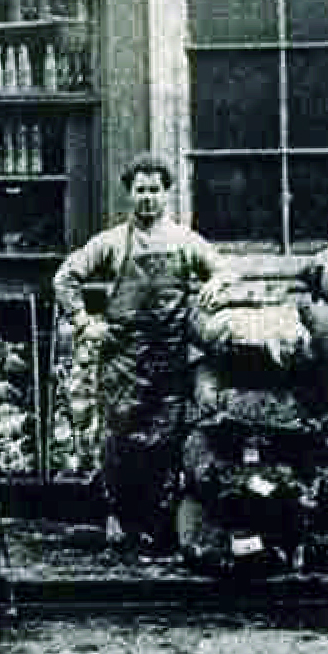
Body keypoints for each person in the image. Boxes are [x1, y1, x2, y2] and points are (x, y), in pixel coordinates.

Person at [53, 152, 233, 552]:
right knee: (119, 441)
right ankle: (118, 518)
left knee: (166, 443)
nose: (147, 198)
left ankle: (160, 525)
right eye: (140, 191)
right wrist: (85, 323)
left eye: (154, 190)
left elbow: (224, 269)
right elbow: (66, 277)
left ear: (167, 193)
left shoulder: (185, 241)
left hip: (168, 361)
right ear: (129, 195)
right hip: (122, 362)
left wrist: (216, 283)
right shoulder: (114, 242)